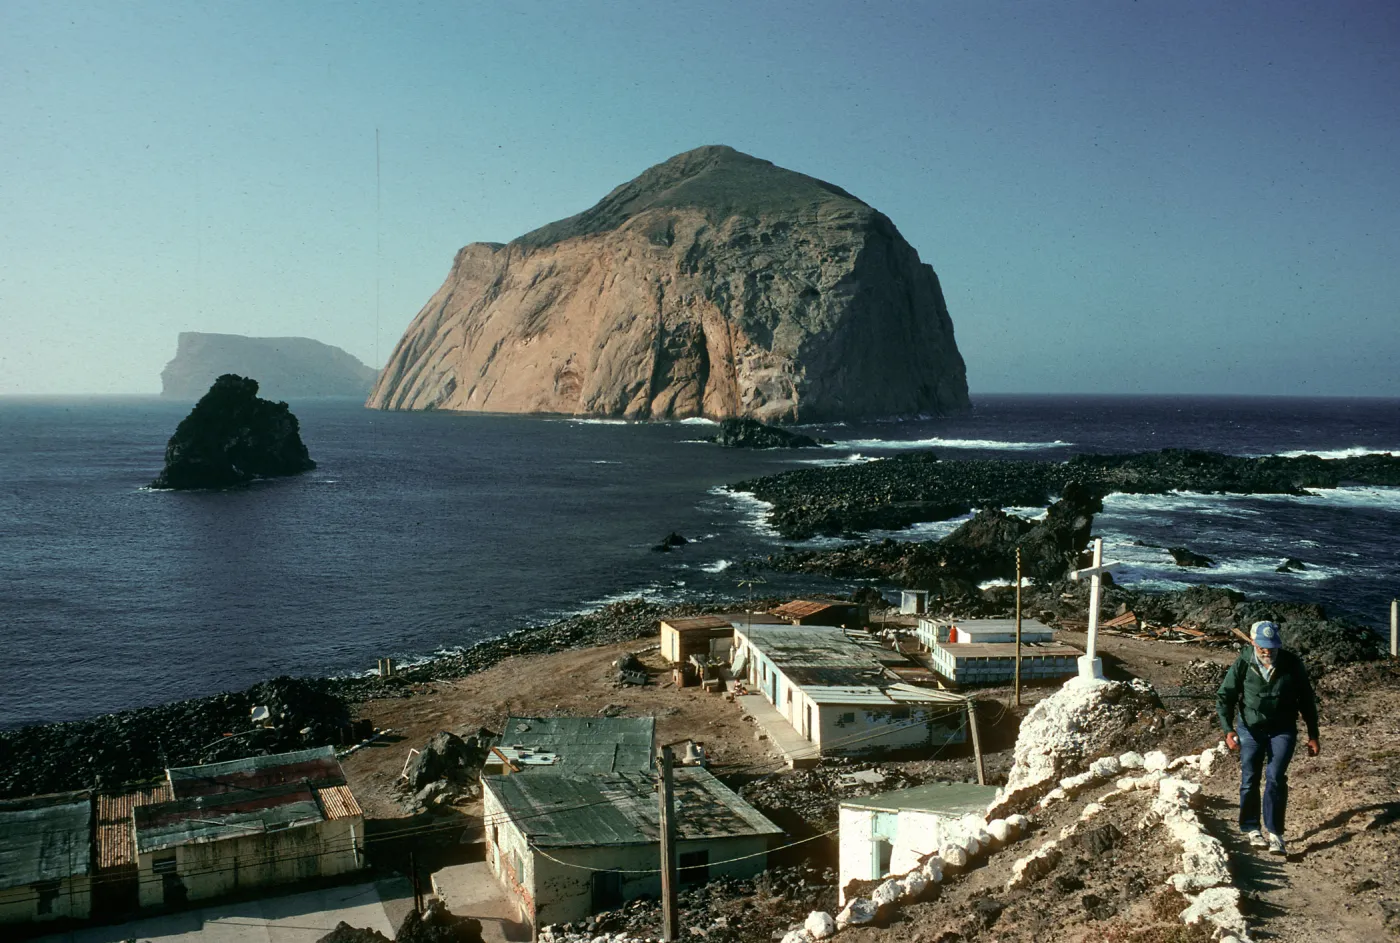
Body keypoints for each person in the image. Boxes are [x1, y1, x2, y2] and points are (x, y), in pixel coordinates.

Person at [1216, 620, 1321, 856]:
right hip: (1250, 730)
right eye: (1262, 645)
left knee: (1275, 777)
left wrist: (1313, 734)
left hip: (1282, 729)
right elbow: (1225, 696)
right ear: (1252, 642)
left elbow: (1306, 699)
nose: (1267, 651)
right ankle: (1252, 828)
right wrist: (1228, 729)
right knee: (1250, 778)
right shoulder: (1243, 662)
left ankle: (1275, 833)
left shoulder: (1292, 664)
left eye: (1271, 646)